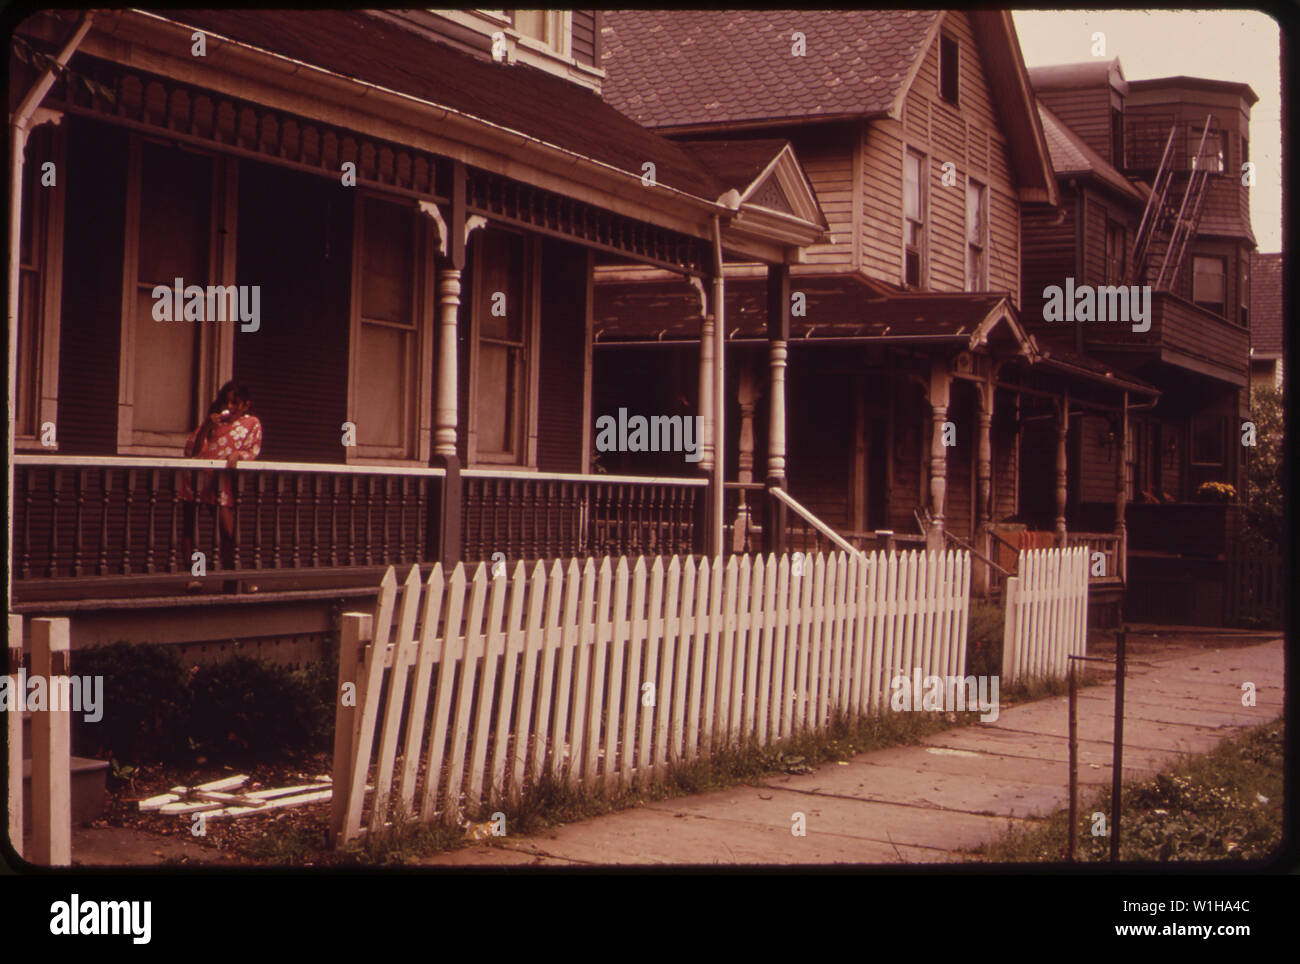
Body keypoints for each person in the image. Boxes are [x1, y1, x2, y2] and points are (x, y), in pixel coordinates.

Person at [179, 381, 263, 592]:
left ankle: (232, 577)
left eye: (236, 402)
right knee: (192, 528)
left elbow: (252, 449)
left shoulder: (251, 423)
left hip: (221, 481)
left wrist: (239, 455)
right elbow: (191, 450)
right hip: (197, 478)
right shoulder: (215, 420)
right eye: (227, 401)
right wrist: (207, 425)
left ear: (246, 404)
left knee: (227, 530)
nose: (230, 406)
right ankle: (194, 576)